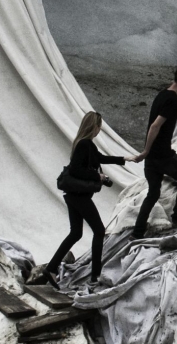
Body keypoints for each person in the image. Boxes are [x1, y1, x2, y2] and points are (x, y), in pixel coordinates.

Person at [47, 111, 125, 285]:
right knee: (99, 231)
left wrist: (126, 159)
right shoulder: (85, 144)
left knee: (75, 233)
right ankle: (95, 276)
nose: (99, 130)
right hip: (79, 197)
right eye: (99, 127)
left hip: (73, 196)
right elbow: (75, 170)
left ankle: (51, 269)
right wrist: (98, 177)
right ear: (94, 126)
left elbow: (101, 158)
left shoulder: (84, 144)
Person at [132, 65, 177, 239]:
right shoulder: (172, 99)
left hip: (152, 159)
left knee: (153, 194)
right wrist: (146, 150)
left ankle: (137, 233)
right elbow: (155, 125)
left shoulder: (161, 94)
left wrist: (147, 153)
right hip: (162, 155)